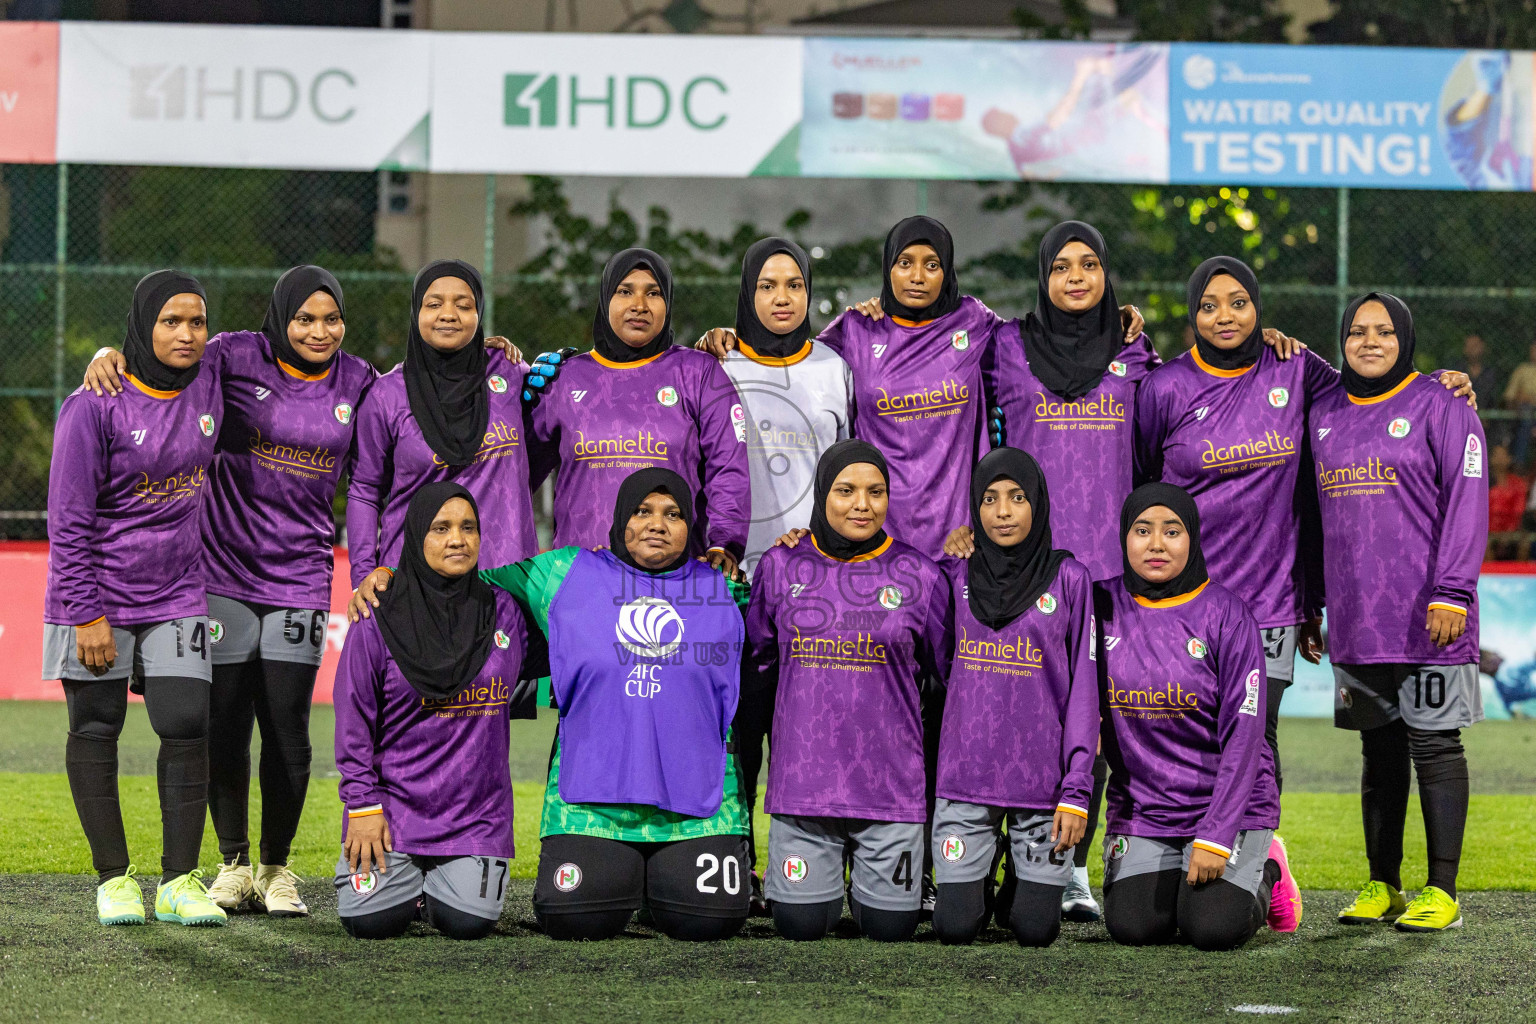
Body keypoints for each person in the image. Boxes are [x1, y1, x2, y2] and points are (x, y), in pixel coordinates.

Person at [83, 265, 376, 917]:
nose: (319, 330)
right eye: (304, 318)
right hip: (219, 574)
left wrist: (494, 357)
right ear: (281, 318)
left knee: (288, 726)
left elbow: (400, 431)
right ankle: (233, 864)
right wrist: (109, 355)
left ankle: (276, 868)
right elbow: (162, 365)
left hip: (300, 575)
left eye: (331, 319)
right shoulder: (233, 355)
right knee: (221, 723)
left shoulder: (359, 381)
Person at [1134, 257, 1475, 795]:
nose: (1226, 316)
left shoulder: (1294, 367)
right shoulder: (1164, 389)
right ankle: (1172, 851)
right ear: (1191, 312)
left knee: (1254, 736)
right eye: (1209, 305)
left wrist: (1440, 387)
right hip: (1187, 598)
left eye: (1239, 303)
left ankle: (1255, 862)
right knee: (1181, 730)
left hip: (1270, 601)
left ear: (1257, 306)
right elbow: (1143, 486)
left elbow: (1371, 392)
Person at [44, 271, 227, 927]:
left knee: (186, 722)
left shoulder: (211, 377)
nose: (186, 334)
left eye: (197, 321)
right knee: (96, 728)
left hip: (178, 592)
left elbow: (288, 352)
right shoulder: (94, 404)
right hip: (95, 595)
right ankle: (113, 880)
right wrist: (88, 614)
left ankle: (179, 882)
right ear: (144, 324)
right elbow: (66, 519)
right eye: (170, 321)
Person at [1310, 293, 1489, 932]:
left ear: (1404, 338)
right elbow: (1309, 516)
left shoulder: (1443, 406)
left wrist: (1454, 592)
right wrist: (1313, 602)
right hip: (1357, 620)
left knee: (1435, 745)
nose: (1370, 341)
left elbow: (1469, 501)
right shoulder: (1323, 411)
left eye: (1384, 331)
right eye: (1357, 331)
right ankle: (1382, 883)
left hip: (1429, 616)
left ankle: (1441, 890)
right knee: (1377, 753)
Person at [745, 440, 953, 942]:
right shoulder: (780, 566)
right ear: (822, 495)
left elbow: (944, 681)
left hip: (891, 793)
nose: (862, 504)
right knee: (799, 925)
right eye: (846, 491)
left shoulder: (921, 576)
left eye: (875, 492)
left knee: (890, 929)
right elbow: (757, 669)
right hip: (804, 790)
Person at [702, 236, 854, 912]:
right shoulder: (716, 365)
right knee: (736, 730)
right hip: (735, 579)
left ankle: (815, 869)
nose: (782, 297)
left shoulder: (834, 368)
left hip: (811, 581)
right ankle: (735, 863)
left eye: (794, 284)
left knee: (806, 732)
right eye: (768, 285)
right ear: (748, 294)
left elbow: (848, 470)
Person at [1095, 484, 1300, 951]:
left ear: (1193, 539)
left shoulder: (1228, 616)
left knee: (1212, 928)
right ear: (1125, 538)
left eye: (1173, 531)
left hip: (1226, 807)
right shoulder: (1098, 606)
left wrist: (1216, 833)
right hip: (1145, 809)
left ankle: (1267, 864)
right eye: (1142, 531)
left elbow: (1247, 737)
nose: (1157, 544)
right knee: (1134, 928)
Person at [333, 484, 528, 940]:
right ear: (416, 535)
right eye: (440, 528)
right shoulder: (376, 614)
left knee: (468, 924)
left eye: (468, 527)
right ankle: (413, 883)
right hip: (391, 811)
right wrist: (362, 806)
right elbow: (353, 722)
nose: (457, 540)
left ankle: (437, 889)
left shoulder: (505, 612)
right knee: (370, 923)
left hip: (476, 816)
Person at [929, 448, 1097, 948]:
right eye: (990, 499)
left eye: (1017, 498)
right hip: (967, 778)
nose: (1003, 512)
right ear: (975, 510)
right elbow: (942, 666)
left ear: (1038, 504)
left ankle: (1017, 876)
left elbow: (1084, 692)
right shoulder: (954, 576)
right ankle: (980, 869)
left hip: (1041, 786)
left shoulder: (1070, 579)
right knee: (955, 928)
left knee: (1034, 929)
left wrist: (1076, 789)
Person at [522, 248, 750, 574]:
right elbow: (512, 474)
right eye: (625, 291)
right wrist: (517, 404)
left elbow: (729, 467)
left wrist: (724, 543)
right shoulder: (565, 377)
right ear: (605, 299)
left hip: (674, 576)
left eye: (653, 293)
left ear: (667, 302)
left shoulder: (698, 372)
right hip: (580, 578)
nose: (639, 305)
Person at [347, 260, 539, 594]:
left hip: (507, 581)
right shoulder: (387, 395)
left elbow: (544, 446)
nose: (448, 314)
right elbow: (364, 489)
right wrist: (364, 573)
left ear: (479, 314)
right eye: (433, 304)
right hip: (415, 583)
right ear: (415, 312)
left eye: (464, 305)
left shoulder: (509, 372)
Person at [1503, 339, 1536, 466]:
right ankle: (1519, 462)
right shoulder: (1522, 370)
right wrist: (1519, 399)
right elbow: (1509, 397)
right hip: (1525, 411)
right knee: (1526, 417)